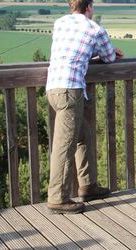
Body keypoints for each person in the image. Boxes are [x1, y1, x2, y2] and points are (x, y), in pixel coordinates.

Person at [46, 0, 123, 214]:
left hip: (53, 88)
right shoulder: (95, 29)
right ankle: (57, 198)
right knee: (65, 144)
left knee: (83, 136)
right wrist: (106, 54)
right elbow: (109, 57)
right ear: (89, 7)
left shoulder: (60, 23)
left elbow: (70, 50)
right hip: (70, 90)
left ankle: (88, 186)